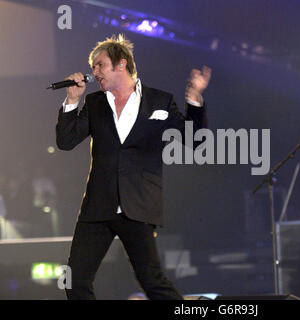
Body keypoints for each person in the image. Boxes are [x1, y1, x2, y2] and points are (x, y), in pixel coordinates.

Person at [55, 34, 211, 300]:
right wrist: (72, 100)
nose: (94, 72)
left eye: (99, 65)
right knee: (75, 280)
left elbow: (195, 141)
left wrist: (195, 99)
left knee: (152, 281)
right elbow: (66, 141)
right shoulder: (94, 103)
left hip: (137, 204)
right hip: (98, 206)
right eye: (92, 67)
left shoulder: (159, 101)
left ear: (121, 64)